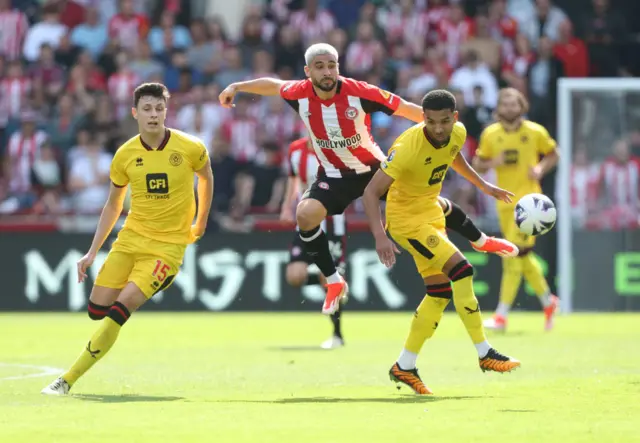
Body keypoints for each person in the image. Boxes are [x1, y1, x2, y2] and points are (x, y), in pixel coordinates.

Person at [219, 43, 518, 316]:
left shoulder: (359, 91)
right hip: (335, 175)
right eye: (320, 67)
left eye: (332, 65)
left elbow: (403, 107)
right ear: (308, 72)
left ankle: (481, 240)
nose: (327, 72)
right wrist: (237, 86)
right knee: (305, 214)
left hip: (374, 168)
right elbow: (274, 85)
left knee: (431, 203)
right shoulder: (298, 93)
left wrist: (440, 125)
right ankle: (335, 282)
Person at [41, 83, 214, 395]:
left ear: (166, 111)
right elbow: (113, 204)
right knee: (97, 309)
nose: (153, 115)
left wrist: (200, 221)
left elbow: (206, 177)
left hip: (167, 247)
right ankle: (115, 316)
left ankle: (67, 379)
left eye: (159, 109)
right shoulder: (124, 154)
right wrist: (92, 252)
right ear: (135, 113)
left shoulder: (190, 147)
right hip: (131, 239)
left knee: (123, 307)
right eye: (147, 109)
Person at [362, 90, 521, 395]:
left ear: (455, 119)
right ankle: (485, 352)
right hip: (407, 221)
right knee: (462, 271)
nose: (438, 128)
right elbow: (371, 193)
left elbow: (454, 156)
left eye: (444, 121)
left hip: (430, 207)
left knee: (438, 293)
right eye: (431, 122)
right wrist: (380, 235)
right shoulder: (408, 146)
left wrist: (484, 185)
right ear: (423, 118)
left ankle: (404, 366)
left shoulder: (457, 132)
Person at [473, 87, 560, 331]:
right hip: (504, 202)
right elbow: (478, 164)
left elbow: (553, 154)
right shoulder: (491, 134)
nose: (510, 108)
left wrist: (541, 169)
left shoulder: (534, 131)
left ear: (522, 106)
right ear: (499, 108)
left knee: (511, 255)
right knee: (523, 256)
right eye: (506, 104)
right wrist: (493, 163)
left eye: (514, 104)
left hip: (530, 204)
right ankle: (548, 300)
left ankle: (501, 316)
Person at [281, 137, 347, 349]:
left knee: (328, 279)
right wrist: (287, 205)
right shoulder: (295, 150)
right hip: (306, 221)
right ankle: (332, 278)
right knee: (294, 276)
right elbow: (293, 180)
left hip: (332, 223)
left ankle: (337, 335)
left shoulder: (334, 148)